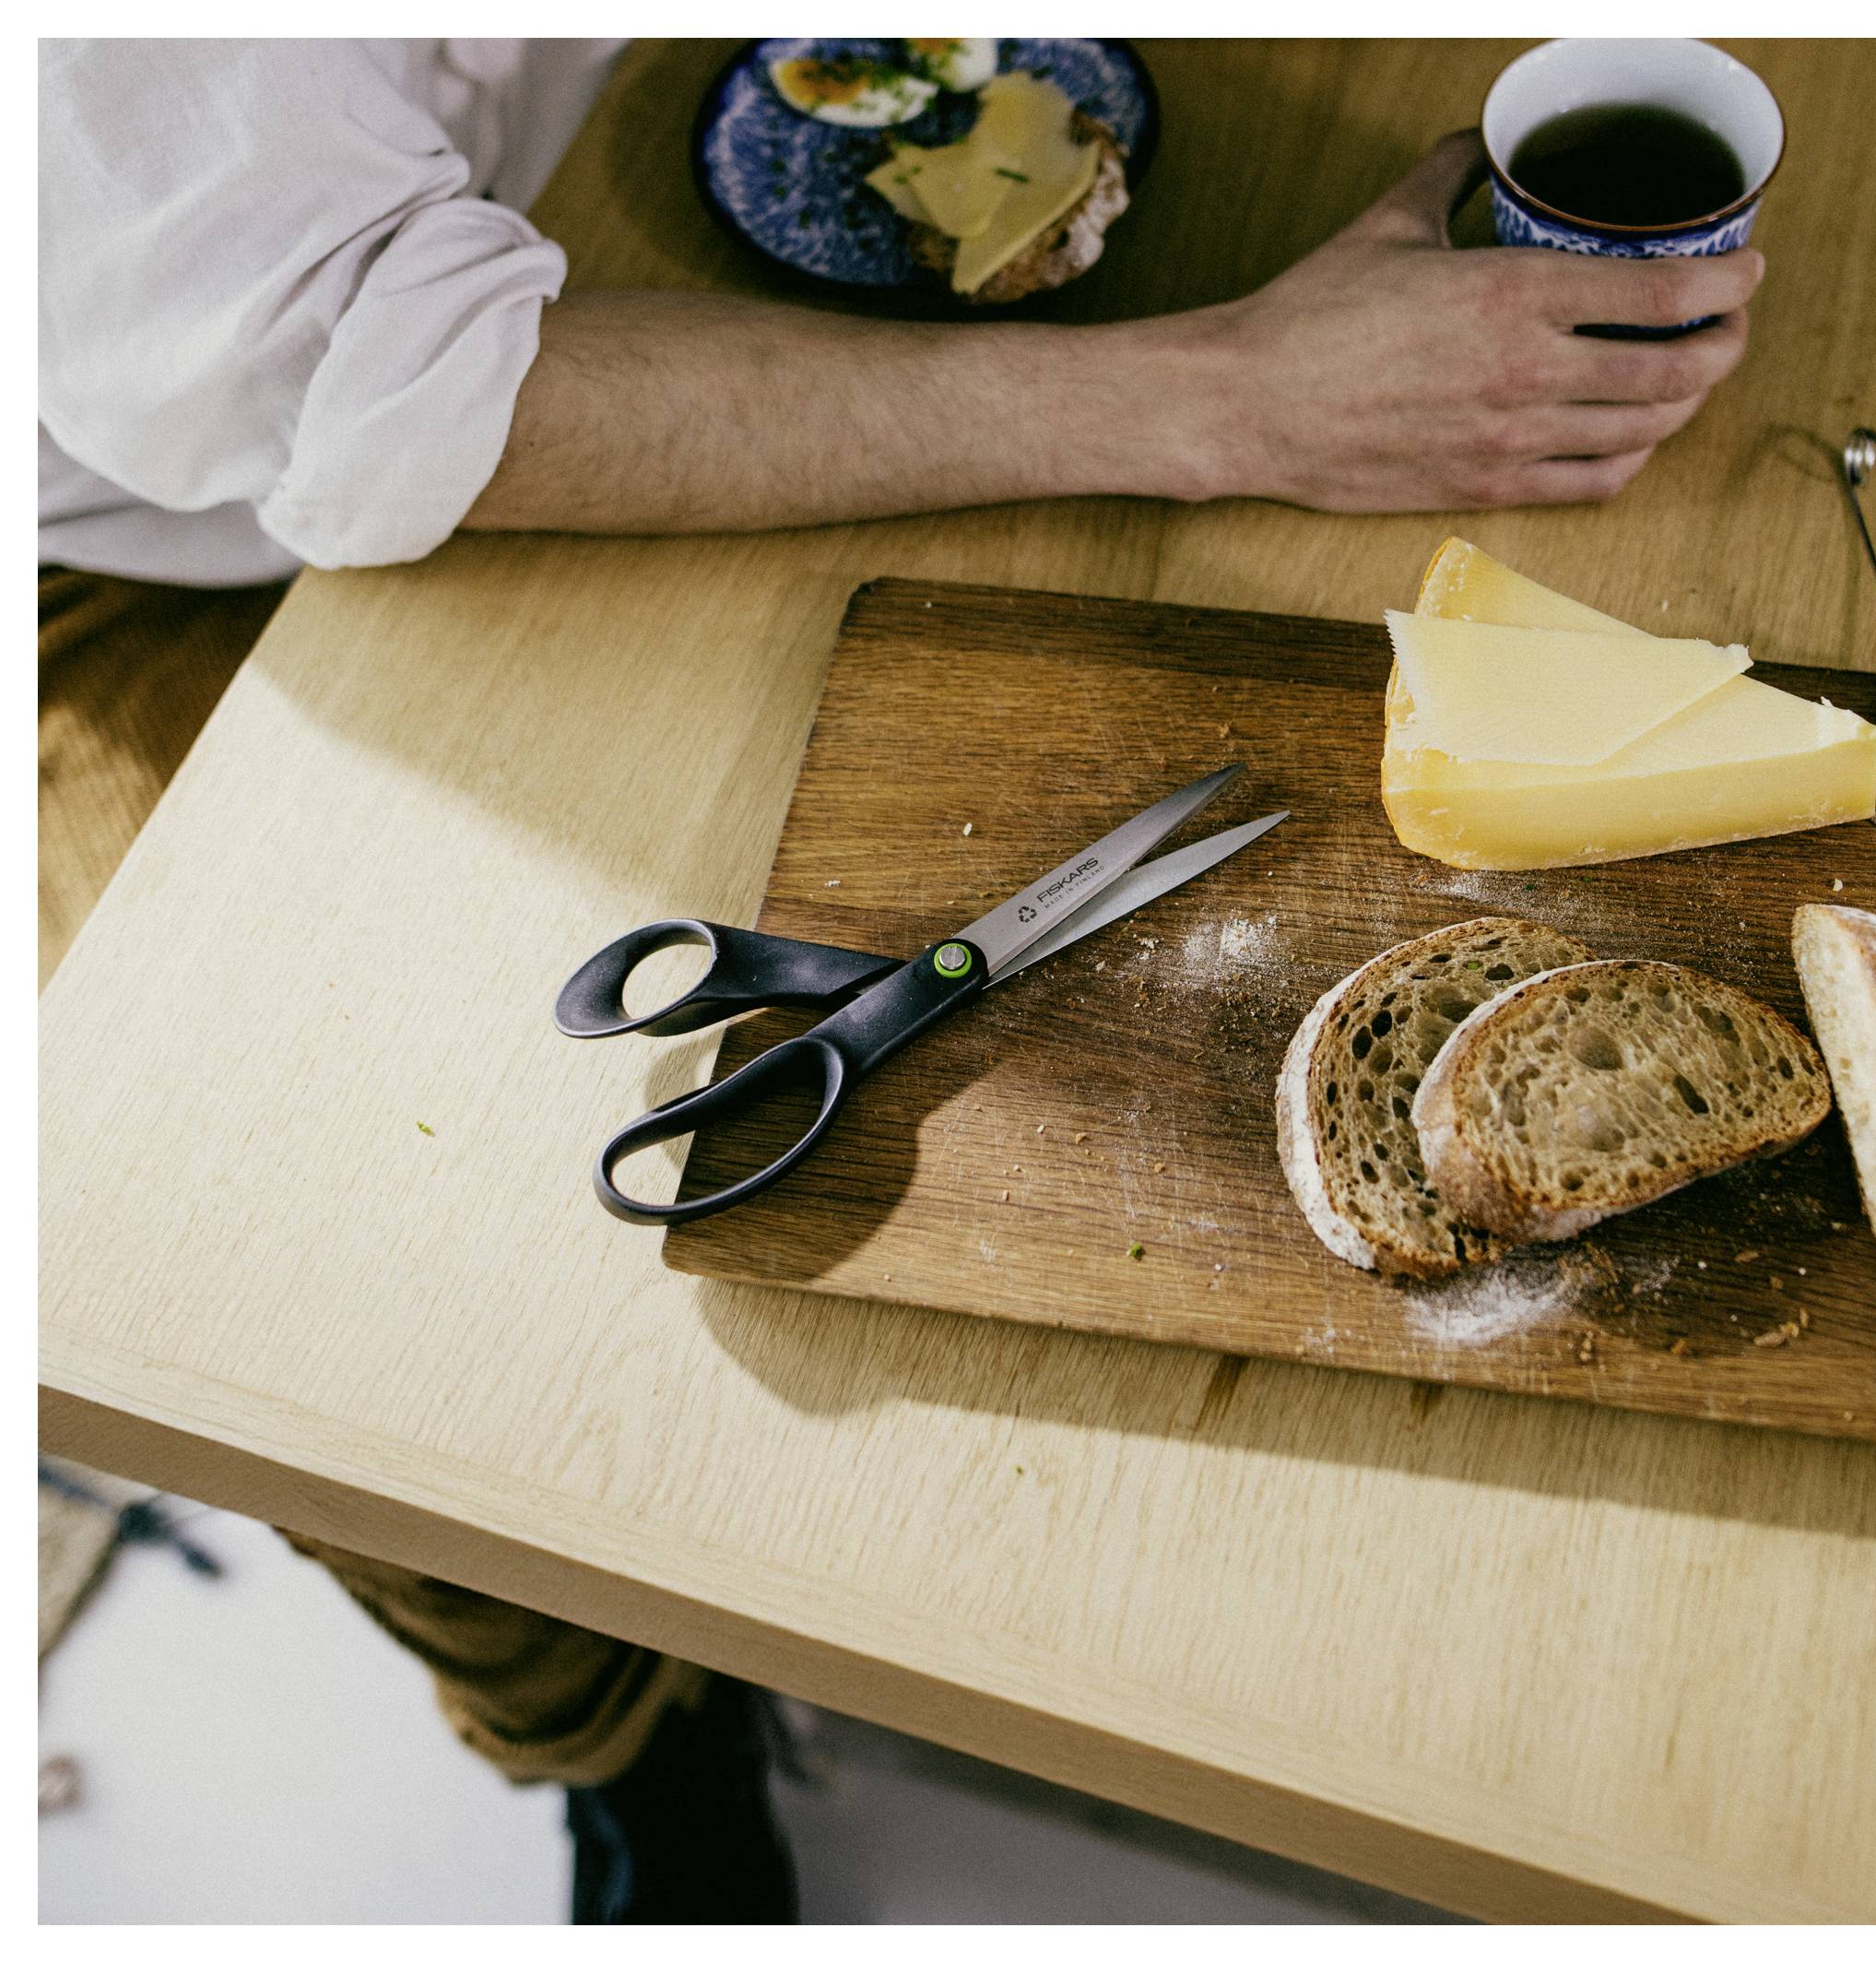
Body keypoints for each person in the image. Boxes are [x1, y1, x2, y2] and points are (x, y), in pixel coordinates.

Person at [38, 38, 1764, 1923]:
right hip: (168, 541)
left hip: (557, 210)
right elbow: (386, 395)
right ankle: (622, 1740)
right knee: (323, 1290)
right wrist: (1233, 402)